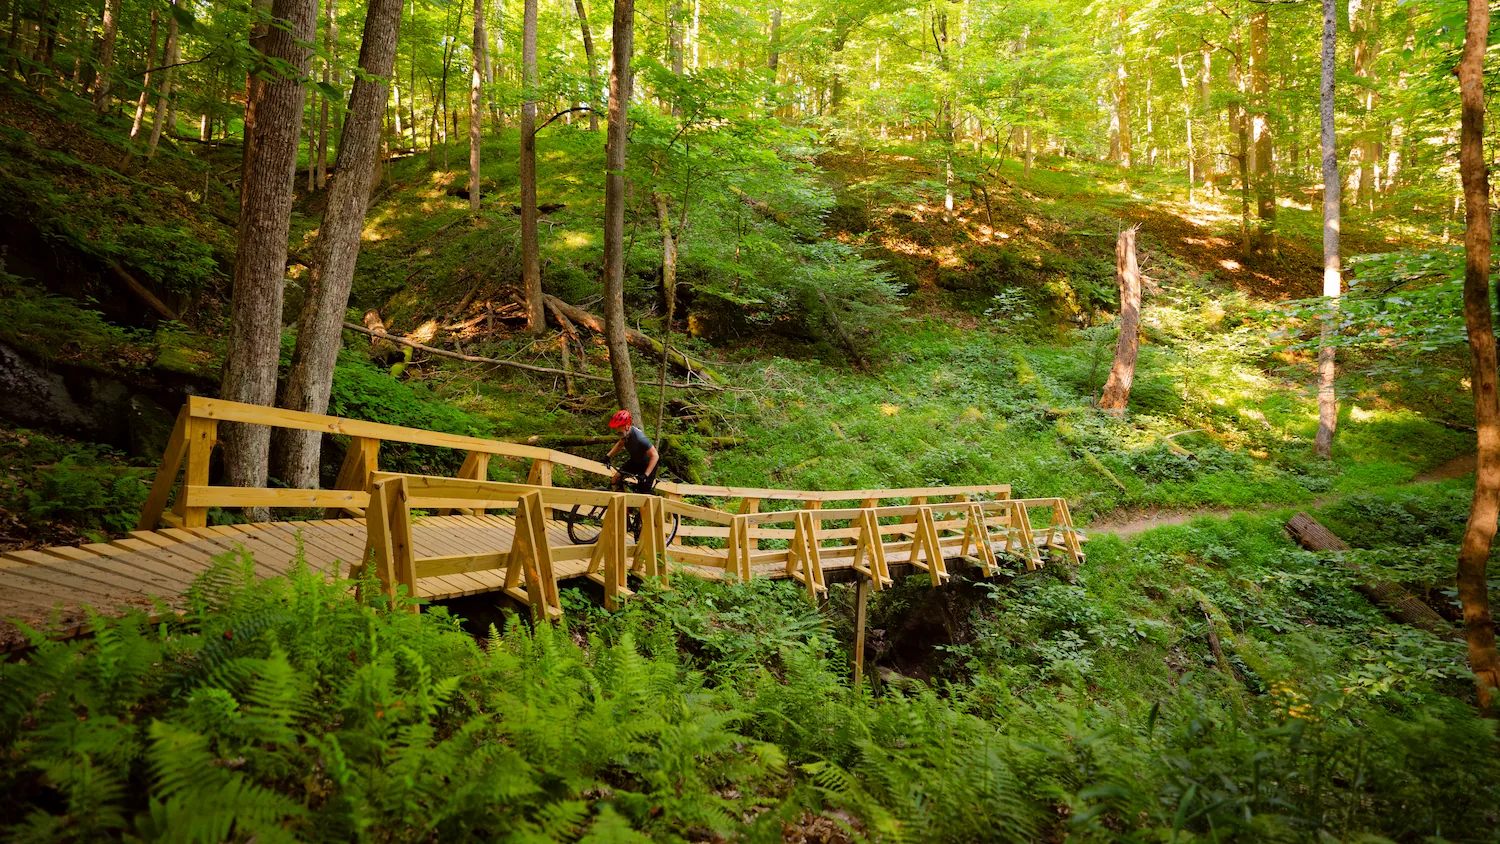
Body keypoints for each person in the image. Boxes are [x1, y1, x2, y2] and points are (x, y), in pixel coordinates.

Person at [605, 410, 659, 494]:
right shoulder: (625, 435)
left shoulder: (640, 438)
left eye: (619, 427)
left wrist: (646, 474)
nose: (617, 430)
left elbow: (655, 456)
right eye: (617, 427)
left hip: (648, 465)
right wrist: (608, 456)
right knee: (616, 478)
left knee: (643, 495)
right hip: (635, 462)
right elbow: (620, 444)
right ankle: (621, 500)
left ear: (628, 425)